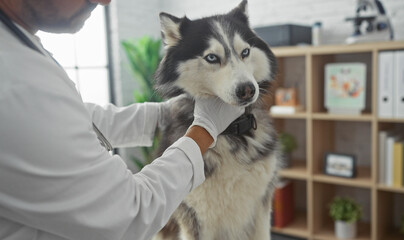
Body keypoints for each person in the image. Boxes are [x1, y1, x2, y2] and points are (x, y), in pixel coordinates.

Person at [0, 0, 244, 239]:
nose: (105, 1)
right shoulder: (17, 84)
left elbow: (70, 119)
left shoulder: (18, 47)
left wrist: (165, 113)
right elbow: (130, 214)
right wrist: (204, 130)